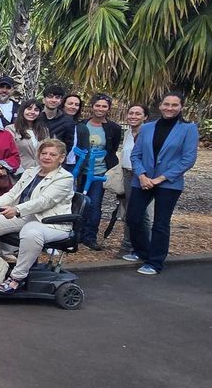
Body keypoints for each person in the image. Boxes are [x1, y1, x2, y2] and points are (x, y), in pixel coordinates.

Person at [0, 138, 74, 292]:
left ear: (61, 158)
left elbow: (44, 202)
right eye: (44, 153)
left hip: (51, 222)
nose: (47, 157)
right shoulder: (31, 172)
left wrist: (17, 210)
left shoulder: (65, 178)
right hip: (27, 216)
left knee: (31, 232)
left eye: (53, 155)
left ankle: (17, 278)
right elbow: (13, 194)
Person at [126, 93, 198, 275]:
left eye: (175, 105)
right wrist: (141, 175)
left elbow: (188, 159)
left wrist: (160, 178)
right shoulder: (148, 127)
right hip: (142, 180)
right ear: (160, 106)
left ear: (181, 107)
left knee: (160, 223)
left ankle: (155, 262)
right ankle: (143, 251)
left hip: (169, 183)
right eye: (167, 104)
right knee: (133, 218)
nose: (170, 108)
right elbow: (136, 154)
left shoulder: (188, 129)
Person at [74, 94, 122, 250]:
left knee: (94, 204)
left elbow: (112, 149)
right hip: (80, 171)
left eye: (104, 106)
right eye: (98, 105)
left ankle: (90, 236)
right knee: (78, 202)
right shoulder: (81, 125)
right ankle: (76, 234)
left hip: (99, 172)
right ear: (92, 106)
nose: (100, 109)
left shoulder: (113, 128)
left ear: (108, 108)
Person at [117, 103, 150, 255]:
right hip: (126, 174)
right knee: (128, 212)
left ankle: (140, 247)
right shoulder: (128, 133)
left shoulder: (148, 133)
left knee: (141, 214)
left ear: (145, 117)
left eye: (138, 114)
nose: (133, 116)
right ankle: (129, 246)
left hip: (141, 176)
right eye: (131, 113)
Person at [8, 99, 49, 174]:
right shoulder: (11, 129)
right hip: (20, 172)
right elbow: (9, 153)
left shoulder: (44, 130)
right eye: (29, 109)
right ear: (22, 111)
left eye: (36, 110)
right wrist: (20, 172)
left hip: (41, 171)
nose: (32, 112)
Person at [61, 94, 84, 169]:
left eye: (76, 105)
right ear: (63, 104)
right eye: (70, 104)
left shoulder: (81, 127)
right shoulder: (54, 122)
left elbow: (85, 150)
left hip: (72, 165)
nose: (73, 107)